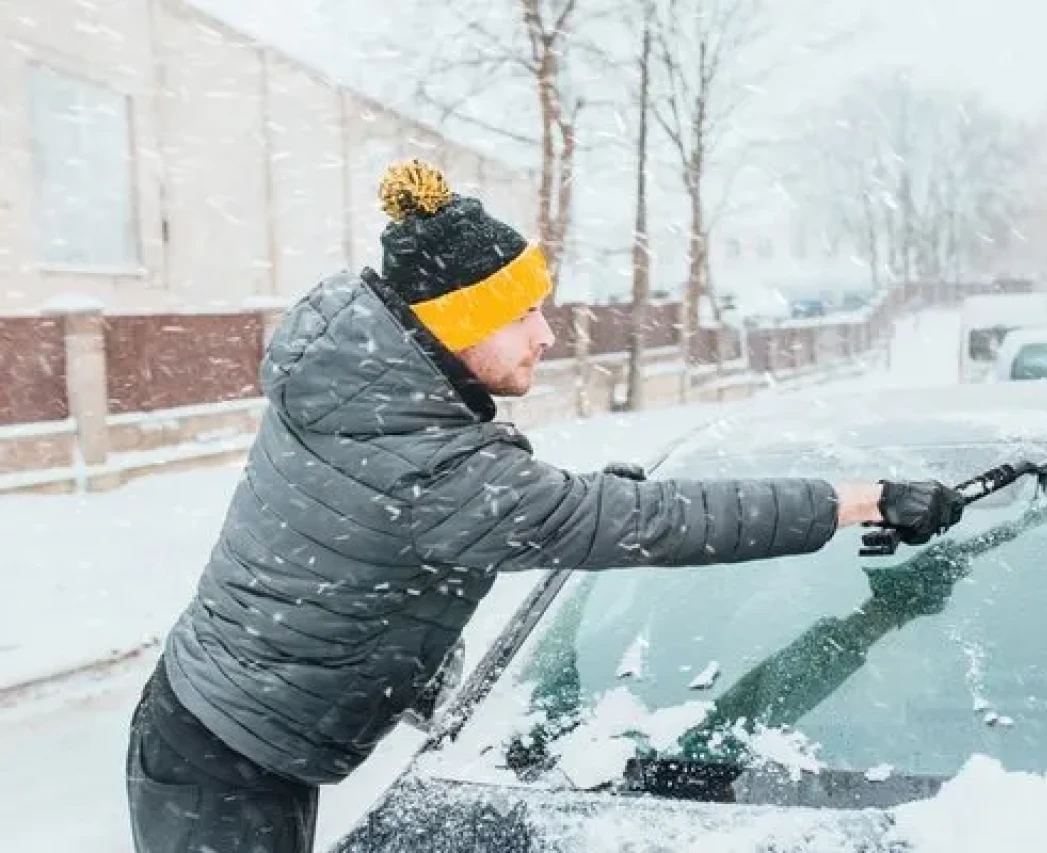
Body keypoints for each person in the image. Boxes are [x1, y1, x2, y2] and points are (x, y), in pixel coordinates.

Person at [125, 160, 965, 852]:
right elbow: (645, 526)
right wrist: (863, 499)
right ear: (459, 323)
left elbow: (370, 551)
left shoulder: (362, 384)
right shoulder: (431, 464)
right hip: (224, 764)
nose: (546, 334)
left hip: (217, 730)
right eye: (524, 310)